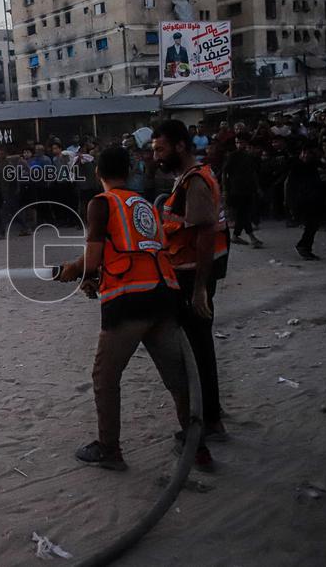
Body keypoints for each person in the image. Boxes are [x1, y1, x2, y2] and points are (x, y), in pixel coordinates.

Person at [55, 146, 211, 471]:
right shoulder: (145, 204)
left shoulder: (101, 203)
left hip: (128, 300)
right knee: (178, 378)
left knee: (105, 376)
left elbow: (95, 258)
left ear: (97, 172)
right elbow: (134, 249)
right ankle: (196, 445)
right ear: (130, 172)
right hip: (163, 295)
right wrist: (90, 275)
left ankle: (109, 449)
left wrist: (75, 271)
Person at [152, 120, 230, 440]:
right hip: (187, 274)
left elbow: (206, 233)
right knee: (200, 348)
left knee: (197, 351)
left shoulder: (195, 182)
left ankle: (209, 422)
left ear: (181, 146)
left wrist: (199, 290)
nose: (156, 155)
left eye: (161, 148)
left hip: (192, 278)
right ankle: (212, 412)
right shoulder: (186, 179)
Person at [222, 135, 263, 248]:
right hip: (236, 189)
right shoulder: (233, 156)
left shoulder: (250, 157)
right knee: (243, 213)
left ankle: (235, 236)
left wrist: (257, 187)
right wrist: (226, 189)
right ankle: (252, 237)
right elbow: (225, 173)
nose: (239, 144)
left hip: (248, 188)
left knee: (243, 214)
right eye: (237, 142)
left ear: (246, 143)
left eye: (241, 142)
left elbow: (253, 173)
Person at [289, 143, 325, 260]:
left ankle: (305, 247)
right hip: (304, 200)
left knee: (313, 225)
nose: (305, 155)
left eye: (307, 153)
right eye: (303, 153)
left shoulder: (313, 165)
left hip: (314, 199)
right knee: (312, 224)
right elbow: (290, 187)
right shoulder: (297, 167)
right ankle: (304, 246)